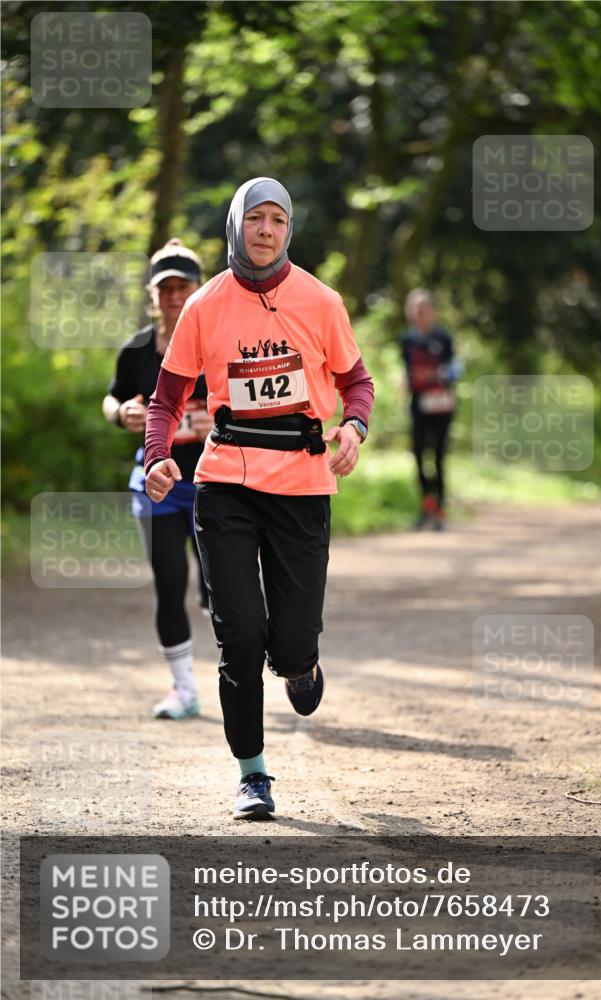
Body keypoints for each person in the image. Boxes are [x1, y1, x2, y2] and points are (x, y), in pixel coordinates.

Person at [144, 178, 374, 820]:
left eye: (277, 219)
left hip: (302, 484)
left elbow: (358, 382)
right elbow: (166, 400)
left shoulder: (321, 301)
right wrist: (158, 456)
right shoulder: (205, 306)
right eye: (255, 218)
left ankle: (301, 662)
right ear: (236, 226)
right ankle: (253, 774)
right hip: (226, 484)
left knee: (292, 644)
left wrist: (353, 427)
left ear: (289, 229)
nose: (266, 230)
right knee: (239, 634)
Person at [103, 238, 211, 720]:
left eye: (182, 286)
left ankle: (241, 672)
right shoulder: (137, 350)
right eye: (164, 288)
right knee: (170, 584)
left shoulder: (219, 344)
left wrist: (219, 420)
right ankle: (184, 689)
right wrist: (120, 411)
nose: (173, 296)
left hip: (216, 481)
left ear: (198, 289)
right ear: (153, 294)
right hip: (158, 485)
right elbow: (113, 397)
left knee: (224, 588)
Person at [401, 288, 460, 531]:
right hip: (418, 405)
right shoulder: (407, 339)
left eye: (423, 309)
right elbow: (407, 370)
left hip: (442, 406)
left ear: (432, 311)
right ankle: (426, 507)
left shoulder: (444, 338)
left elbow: (455, 369)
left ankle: (441, 511)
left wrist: (439, 375)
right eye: (415, 309)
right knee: (418, 455)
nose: (419, 313)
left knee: (438, 457)